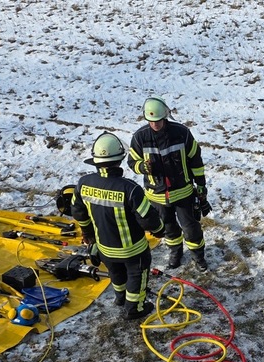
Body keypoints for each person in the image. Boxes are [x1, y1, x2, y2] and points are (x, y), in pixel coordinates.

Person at [71, 131, 165, 320]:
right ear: (119, 160)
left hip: (105, 249)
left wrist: (87, 232)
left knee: (116, 273)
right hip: (133, 251)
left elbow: (77, 211)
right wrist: (159, 230)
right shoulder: (131, 189)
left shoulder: (84, 183)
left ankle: (120, 298)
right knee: (137, 275)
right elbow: (148, 218)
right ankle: (135, 308)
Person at [127, 96, 209, 271]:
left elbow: (195, 159)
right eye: (151, 121)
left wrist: (201, 185)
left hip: (183, 192)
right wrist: (142, 167)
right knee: (169, 229)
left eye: (158, 120)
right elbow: (132, 161)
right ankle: (175, 253)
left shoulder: (181, 133)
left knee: (191, 228)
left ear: (165, 117)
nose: (155, 124)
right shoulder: (140, 137)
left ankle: (198, 256)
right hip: (156, 195)